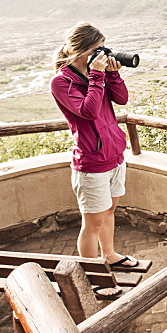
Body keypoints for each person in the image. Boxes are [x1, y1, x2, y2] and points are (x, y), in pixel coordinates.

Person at [50, 22, 139, 299]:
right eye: (95, 50)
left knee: (109, 212)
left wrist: (112, 76)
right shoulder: (62, 82)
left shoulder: (95, 74)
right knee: (92, 223)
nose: (101, 54)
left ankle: (110, 255)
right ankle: (92, 275)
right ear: (79, 51)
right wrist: (98, 76)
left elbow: (121, 100)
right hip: (91, 162)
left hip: (113, 154)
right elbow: (87, 112)